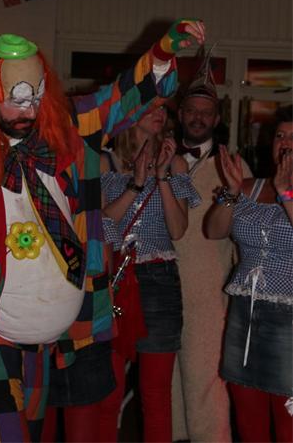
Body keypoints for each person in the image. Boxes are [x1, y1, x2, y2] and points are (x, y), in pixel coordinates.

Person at [0, 21, 205, 443]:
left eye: (36, 97)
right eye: (17, 99)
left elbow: (121, 99)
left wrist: (163, 54)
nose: (29, 111)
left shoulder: (66, 132)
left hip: (43, 351)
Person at [96, 105, 200, 442]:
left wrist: (163, 176)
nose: (160, 113)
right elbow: (101, 222)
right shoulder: (104, 161)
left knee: (155, 395)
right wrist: (137, 184)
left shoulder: (176, 162)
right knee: (106, 394)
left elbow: (178, 228)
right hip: (114, 280)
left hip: (159, 279)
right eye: (150, 105)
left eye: (163, 107)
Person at [171, 51, 252, 443]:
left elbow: (247, 237)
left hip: (209, 293)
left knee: (206, 383)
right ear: (180, 114)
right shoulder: (160, 160)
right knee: (168, 384)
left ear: (217, 119)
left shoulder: (234, 169)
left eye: (206, 112)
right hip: (162, 289)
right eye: (192, 111)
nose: (198, 118)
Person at [205, 105, 293, 442]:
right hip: (246, 312)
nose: (285, 142)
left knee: (286, 422)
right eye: (280, 135)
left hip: (289, 319)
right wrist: (230, 192)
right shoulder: (249, 187)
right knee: (247, 415)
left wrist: (286, 193)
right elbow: (214, 231)